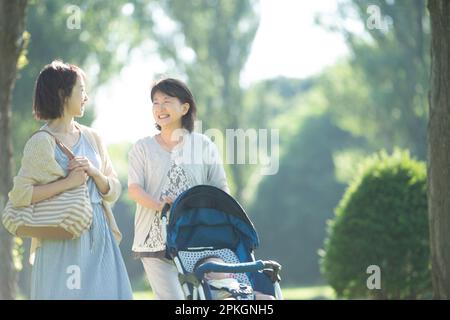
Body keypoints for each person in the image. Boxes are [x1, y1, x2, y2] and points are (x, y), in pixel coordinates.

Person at [8, 60, 133, 299]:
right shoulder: (41, 142)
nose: (85, 97)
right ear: (62, 94)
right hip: (61, 235)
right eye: (81, 90)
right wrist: (68, 183)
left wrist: (95, 174)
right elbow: (20, 194)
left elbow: (114, 189)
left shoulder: (93, 137)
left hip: (99, 235)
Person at [128, 78, 229, 300]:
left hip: (197, 237)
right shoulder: (142, 147)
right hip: (154, 240)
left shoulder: (203, 145)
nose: (160, 108)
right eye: (155, 102)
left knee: (221, 294)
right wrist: (159, 205)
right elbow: (134, 189)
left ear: (184, 107)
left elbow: (221, 189)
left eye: (166, 101)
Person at [195, 256, 275, 300]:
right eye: (220, 268)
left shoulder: (234, 281)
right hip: (225, 297)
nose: (226, 270)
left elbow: (247, 291)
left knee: (269, 298)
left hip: (246, 297)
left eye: (225, 266)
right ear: (207, 275)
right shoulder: (207, 284)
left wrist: (256, 294)